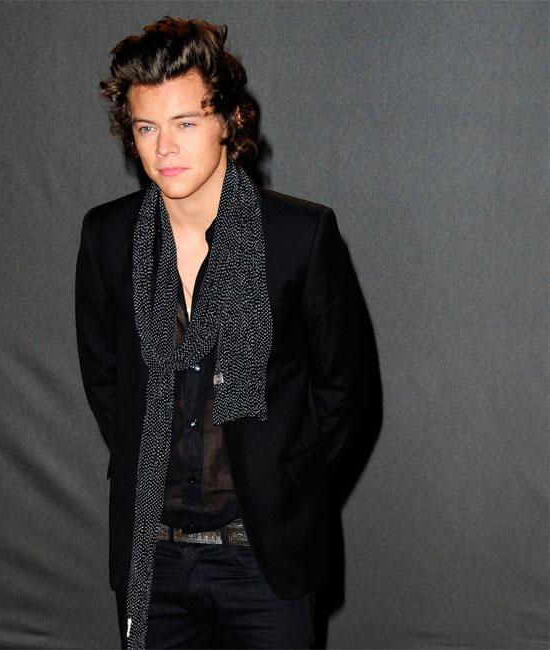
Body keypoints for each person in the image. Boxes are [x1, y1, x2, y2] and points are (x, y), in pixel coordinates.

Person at [75, 16, 379, 650]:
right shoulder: (108, 238)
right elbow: (108, 383)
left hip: (264, 562)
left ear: (230, 120)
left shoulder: (297, 236)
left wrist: (285, 486)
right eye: (146, 128)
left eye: (185, 123)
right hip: (151, 557)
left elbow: (347, 396)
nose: (165, 148)